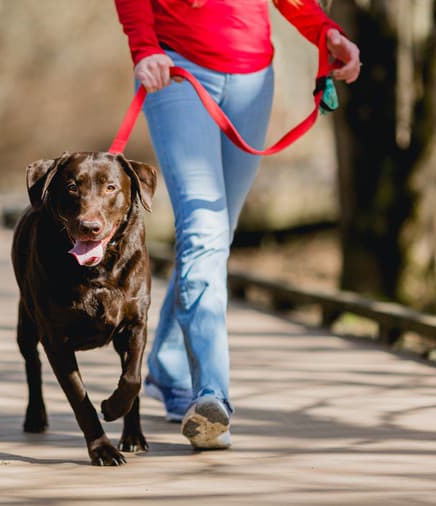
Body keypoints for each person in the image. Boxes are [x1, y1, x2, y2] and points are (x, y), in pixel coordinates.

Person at [114, 0, 361, 449]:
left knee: (215, 236)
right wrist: (144, 46)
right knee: (204, 232)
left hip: (253, 76)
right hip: (176, 69)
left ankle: (168, 370)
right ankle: (211, 397)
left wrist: (327, 34)